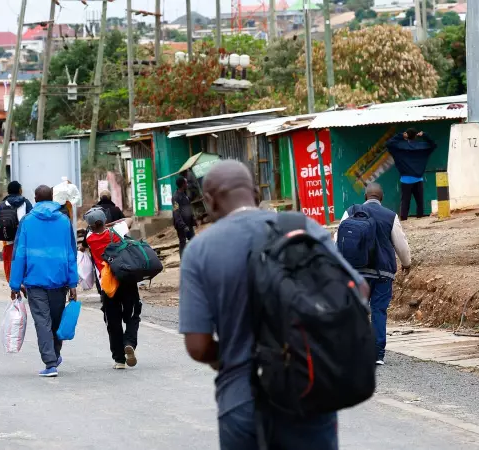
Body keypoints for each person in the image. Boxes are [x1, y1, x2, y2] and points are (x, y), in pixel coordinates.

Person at [179, 160, 347, 450]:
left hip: (242, 401)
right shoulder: (303, 229)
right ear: (256, 193)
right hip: (310, 393)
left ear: (209, 201)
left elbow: (198, 346)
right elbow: (357, 290)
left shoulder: (200, 250)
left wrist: (229, 357)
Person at [337, 183, 412, 366]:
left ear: (365, 197)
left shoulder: (351, 211)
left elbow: (338, 239)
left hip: (355, 272)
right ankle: (377, 354)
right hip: (382, 273)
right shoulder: (390, 216)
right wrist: (406, 263)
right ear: (381, 198)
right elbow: (401, 244)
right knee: (378, 310)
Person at [10, 185, 78, 377]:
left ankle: (50, 363)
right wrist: (73, 283)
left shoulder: (27, 221)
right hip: (59, 280)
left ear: (36, 198)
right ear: (52, 198)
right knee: (55, 321)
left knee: (42, 321)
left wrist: (15, 284)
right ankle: (54, 356)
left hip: (35, 280)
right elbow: (71, 253)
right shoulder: (64, 221)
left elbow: (19, 253)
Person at [83, 207, 142, 370]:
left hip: (107, 284)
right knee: (132, 313)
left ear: (91, 226)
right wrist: (119, 223)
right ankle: (129, 342)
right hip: (126, 278)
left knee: (112, 320)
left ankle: (119, 359)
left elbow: (89, 235)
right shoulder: (117, 231)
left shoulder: (89, 238)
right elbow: (130, 220)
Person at [386, 128, 437, 221]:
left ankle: (404, 220)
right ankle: (420, 220)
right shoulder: (423, 147)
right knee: (420, 202)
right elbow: (433, 144)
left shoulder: (400, 147)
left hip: (406, 180)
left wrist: (401, 135)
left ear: (407, 136)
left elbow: (389, 143)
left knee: (405, 202)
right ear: (415, 136)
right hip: (418, 179)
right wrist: (425, 135)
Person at [0, 181, 33, 282]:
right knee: (25, 266)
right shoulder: (26, 203)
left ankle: (15, 290)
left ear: (8, 191)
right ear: (20, 190)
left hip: (8, 242)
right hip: (24, 242)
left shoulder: (3, 204)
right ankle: (24, 285)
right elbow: (32, 221)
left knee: (10, 266)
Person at [172, 177, 196, 257]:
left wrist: (193, 220)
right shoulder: (176, 197)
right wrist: (183, 225)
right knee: (183, 242)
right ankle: (183, 260)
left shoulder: (184, 194)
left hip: (188, 223)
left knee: (193, 240)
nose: (187, 184)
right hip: (182, 225)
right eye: (186, 183)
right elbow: (176, 212)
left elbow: (188, 208)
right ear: (183, 184)